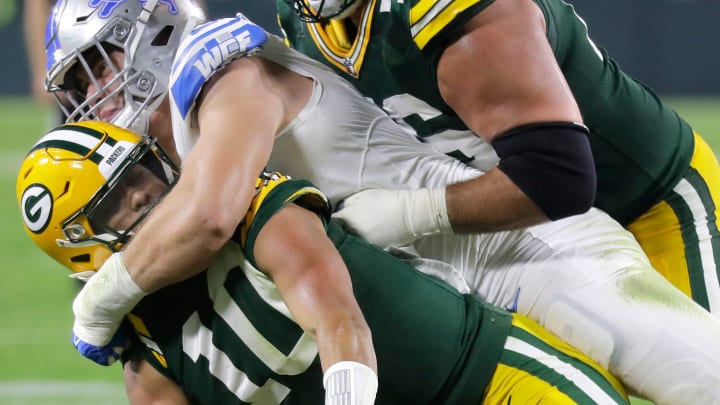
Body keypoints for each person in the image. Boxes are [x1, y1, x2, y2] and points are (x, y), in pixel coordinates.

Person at [43, 1, 720, 403]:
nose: (91, 95)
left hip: (522, 252)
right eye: (78, 82)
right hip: (449, 292)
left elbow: (211, 212)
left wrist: (100, 300)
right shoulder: (167, 155)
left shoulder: (220, 73)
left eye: (95, 65)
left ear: (153, 35)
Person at [16, 120, 631, 405]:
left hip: (492, 386)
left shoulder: (256, 210)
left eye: (142, 176)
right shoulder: (147, 359)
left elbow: (340, 326)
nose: (147, 196)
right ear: (83, 249)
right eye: (117, 205)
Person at [275, 0, 720, 315]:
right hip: (532, 229)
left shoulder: (453, 11)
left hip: (647, 200)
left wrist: (409, 213)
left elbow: (559, 175)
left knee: (699, 374)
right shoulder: (302, 24)